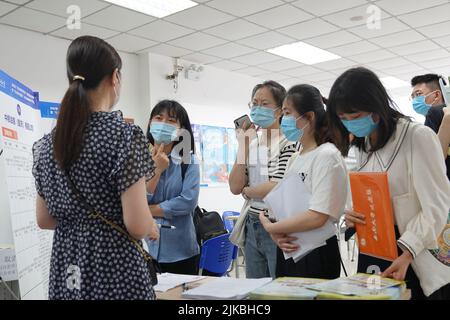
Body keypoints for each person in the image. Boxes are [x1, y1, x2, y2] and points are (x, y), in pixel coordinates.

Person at [32, 36, 159, 300]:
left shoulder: (45, 145)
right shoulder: (124, 136)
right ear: (114, 77)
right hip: (114, 269)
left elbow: (44, 220)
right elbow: (136, 225)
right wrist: (149, 224)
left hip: (66, 268)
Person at [327, 67, 450, 300]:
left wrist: (407, 252)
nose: (351, 125)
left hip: (413, 250)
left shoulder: (417, 137)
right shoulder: (362, 147)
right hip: (373, 247)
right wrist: (350, 214)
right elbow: (361, 196)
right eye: (343, 119)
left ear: (376, 106)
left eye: (355, 117)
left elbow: (437, 206)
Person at [259, 84, 348, 279]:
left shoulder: (327, 155)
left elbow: (318, 216)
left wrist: (272, 228)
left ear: (309, 117)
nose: (283, 120)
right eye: (282, 113)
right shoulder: (296, 156)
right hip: (290, 247)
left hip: (316, 251)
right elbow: (282, 204)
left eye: (288, 113)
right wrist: (273, 228)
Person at [229, 80, 300, 279]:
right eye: (254, 103)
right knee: (255, 288)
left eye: (265, 103)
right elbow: (235, 186)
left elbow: (276, 187)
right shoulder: (251, 144)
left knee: (278, 287)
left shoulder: (289, 141)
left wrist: (248, 191)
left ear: (279, 110)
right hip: (252, 223)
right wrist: (243, 145)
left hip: (276, 223)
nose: (258, 108)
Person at [145, 100, 201, 275]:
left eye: (171, 121)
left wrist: (146, 210)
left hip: (181, 251)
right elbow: (135, 198)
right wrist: (157, 170)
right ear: (150, 123)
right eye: (158, 118)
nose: (163, 124)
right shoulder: (138, 159)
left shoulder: (188, 161)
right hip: (145, 249)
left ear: (180, 129)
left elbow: (187, 202)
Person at [410, 74, 449, 180]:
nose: (414, 100)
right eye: (412, 97)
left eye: (418, 94)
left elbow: (432, 160)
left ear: (436, 95)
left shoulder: (434, 114)